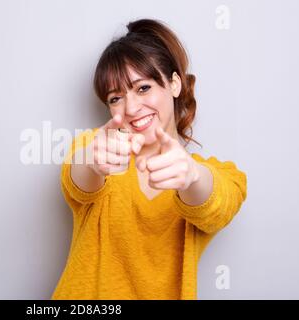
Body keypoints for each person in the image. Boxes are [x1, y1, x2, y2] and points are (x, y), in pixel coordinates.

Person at [51, 18, 247, 300]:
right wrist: (93, 162)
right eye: (115, 98)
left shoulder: (215, 174)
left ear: (174, 84)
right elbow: (78, 179)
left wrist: (192, 176)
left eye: (143, 88)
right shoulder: (95, 147)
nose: (130, 107)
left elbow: (220, 202)